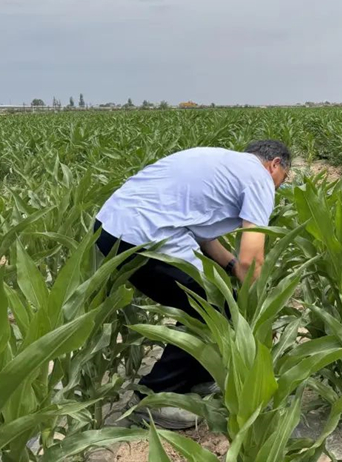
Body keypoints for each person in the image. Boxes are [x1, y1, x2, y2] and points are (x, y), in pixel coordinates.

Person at [92, 139, 290, 429]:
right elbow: (252, 260)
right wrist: (256, 308)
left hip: (112, 227)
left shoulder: (220, 163)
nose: (277, 188)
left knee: (213, 298)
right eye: (281, 181)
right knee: (208, 307)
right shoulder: (259, 177)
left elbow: (202, 232)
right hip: (143, 234)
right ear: (275, 165)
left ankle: (198, 375)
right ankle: (155, 397)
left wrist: (230, 267)